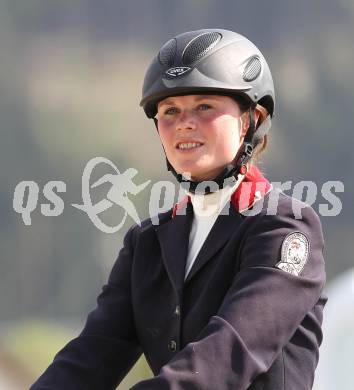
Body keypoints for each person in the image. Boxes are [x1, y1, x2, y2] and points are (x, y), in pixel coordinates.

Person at [31, 29, 326, 390]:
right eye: (170, 110)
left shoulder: (284, 229)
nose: (185, 122)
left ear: (252, 118)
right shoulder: (147, 243)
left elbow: (229, 351)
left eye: (205, 106)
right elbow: (92, 354)